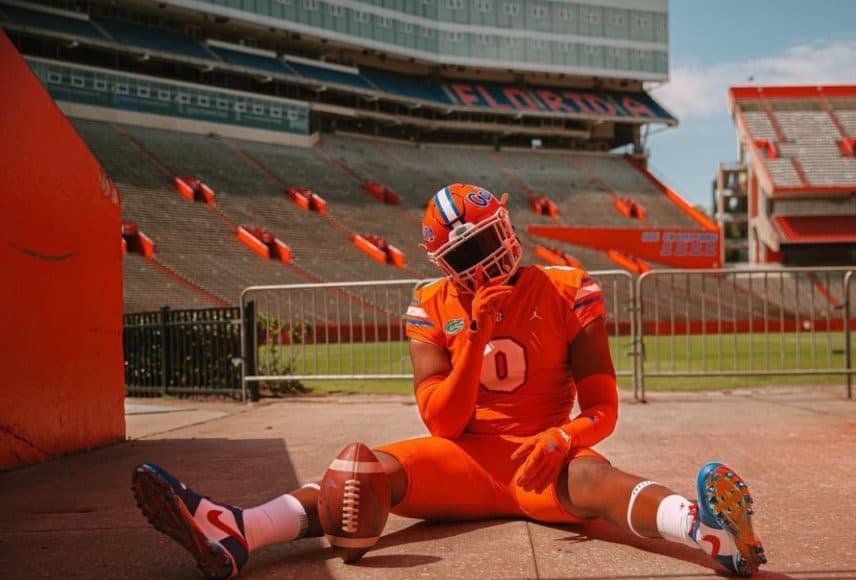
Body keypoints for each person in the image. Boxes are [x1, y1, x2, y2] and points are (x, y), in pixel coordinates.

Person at [132, 183, 766, 578]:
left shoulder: (570, 288)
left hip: (540, 456)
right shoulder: (433, 303)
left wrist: (565, 437)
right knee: (360, 470)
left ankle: (709, 533)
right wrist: (476, 336)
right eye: (466, 254)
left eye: (491, 238)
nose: (487, 258)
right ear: (443, 265)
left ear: (509, 228)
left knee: (596, 479)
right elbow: (441, 422)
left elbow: (602, 405)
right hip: (462, 459)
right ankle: (240, 528)